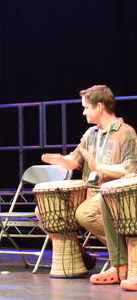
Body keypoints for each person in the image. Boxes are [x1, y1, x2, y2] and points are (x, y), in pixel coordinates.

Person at [42, 85, 137, 288]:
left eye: (86, 107)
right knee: (44, 211)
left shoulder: (125, 133)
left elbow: (131, 167)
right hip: (89, 192)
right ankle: (80, 258)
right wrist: (60, 160)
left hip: (112, 195)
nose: (84, 112)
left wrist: (98, 167)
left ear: (100, 106)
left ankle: (123, 260)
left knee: (85, 214)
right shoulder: (90, 134)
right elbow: (74, 161)